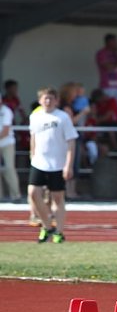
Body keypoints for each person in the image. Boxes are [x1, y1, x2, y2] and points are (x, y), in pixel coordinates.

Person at [28, 87, 78, 243]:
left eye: (51, 98)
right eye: (45, 98)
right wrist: (32, 155)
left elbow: (71, 142)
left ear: (56, 100)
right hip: (39, 162)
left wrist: (68, 165)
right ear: (40, 100)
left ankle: (59, 232)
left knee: (57, 198)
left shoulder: (62, 117)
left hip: (57, 164)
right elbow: (33, 138)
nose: (48, 101)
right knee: (33, 193)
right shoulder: (35, 117)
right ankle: (47, 226)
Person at [95, 33, 117, 115]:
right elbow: (108, 67)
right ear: (108, 42)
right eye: (114, 41)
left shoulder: (116, 54)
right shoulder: (102, 53)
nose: (116, 43)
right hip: (107, 86)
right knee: (108, 107)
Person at [0, 101, 21, 202]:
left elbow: (5, 131)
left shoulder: (6, 111)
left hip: (7, 143)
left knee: (9, 168)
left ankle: (16, 195)